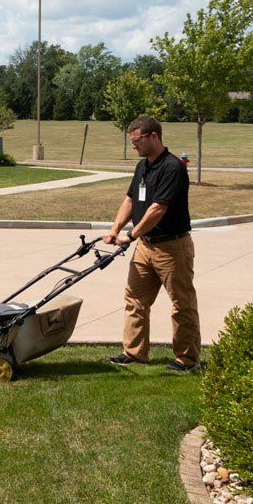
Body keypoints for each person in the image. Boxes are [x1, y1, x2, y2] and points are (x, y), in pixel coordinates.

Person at [102, 115, 201, 372]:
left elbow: (158, 209)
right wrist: (114, 229)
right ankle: (135, 353)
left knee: (182, 303)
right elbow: (130, 200)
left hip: (172, 247)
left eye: (136, 140)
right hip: (145, 246)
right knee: (135, 299)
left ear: (152, 136)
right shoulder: (143, 166)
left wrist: (131, 235)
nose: (133, 145)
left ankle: (187, 359)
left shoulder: (173, 167)